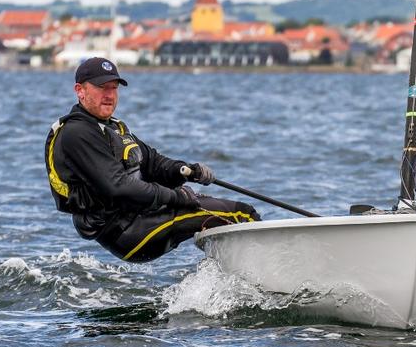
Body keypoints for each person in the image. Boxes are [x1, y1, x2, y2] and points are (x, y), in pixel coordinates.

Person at [45, 57, 260, 262]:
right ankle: (268, 281)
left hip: (143, 215)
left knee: (233, 211)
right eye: (102, 88)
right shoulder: (77, 133)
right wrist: (177, 197)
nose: (110, 95)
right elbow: (118, 187)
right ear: (80, 91)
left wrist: (187, 170)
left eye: (114, 88)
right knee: (242, 213)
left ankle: (233, 282)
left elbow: (153, 163)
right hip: (127, 232)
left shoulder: (114, 127)